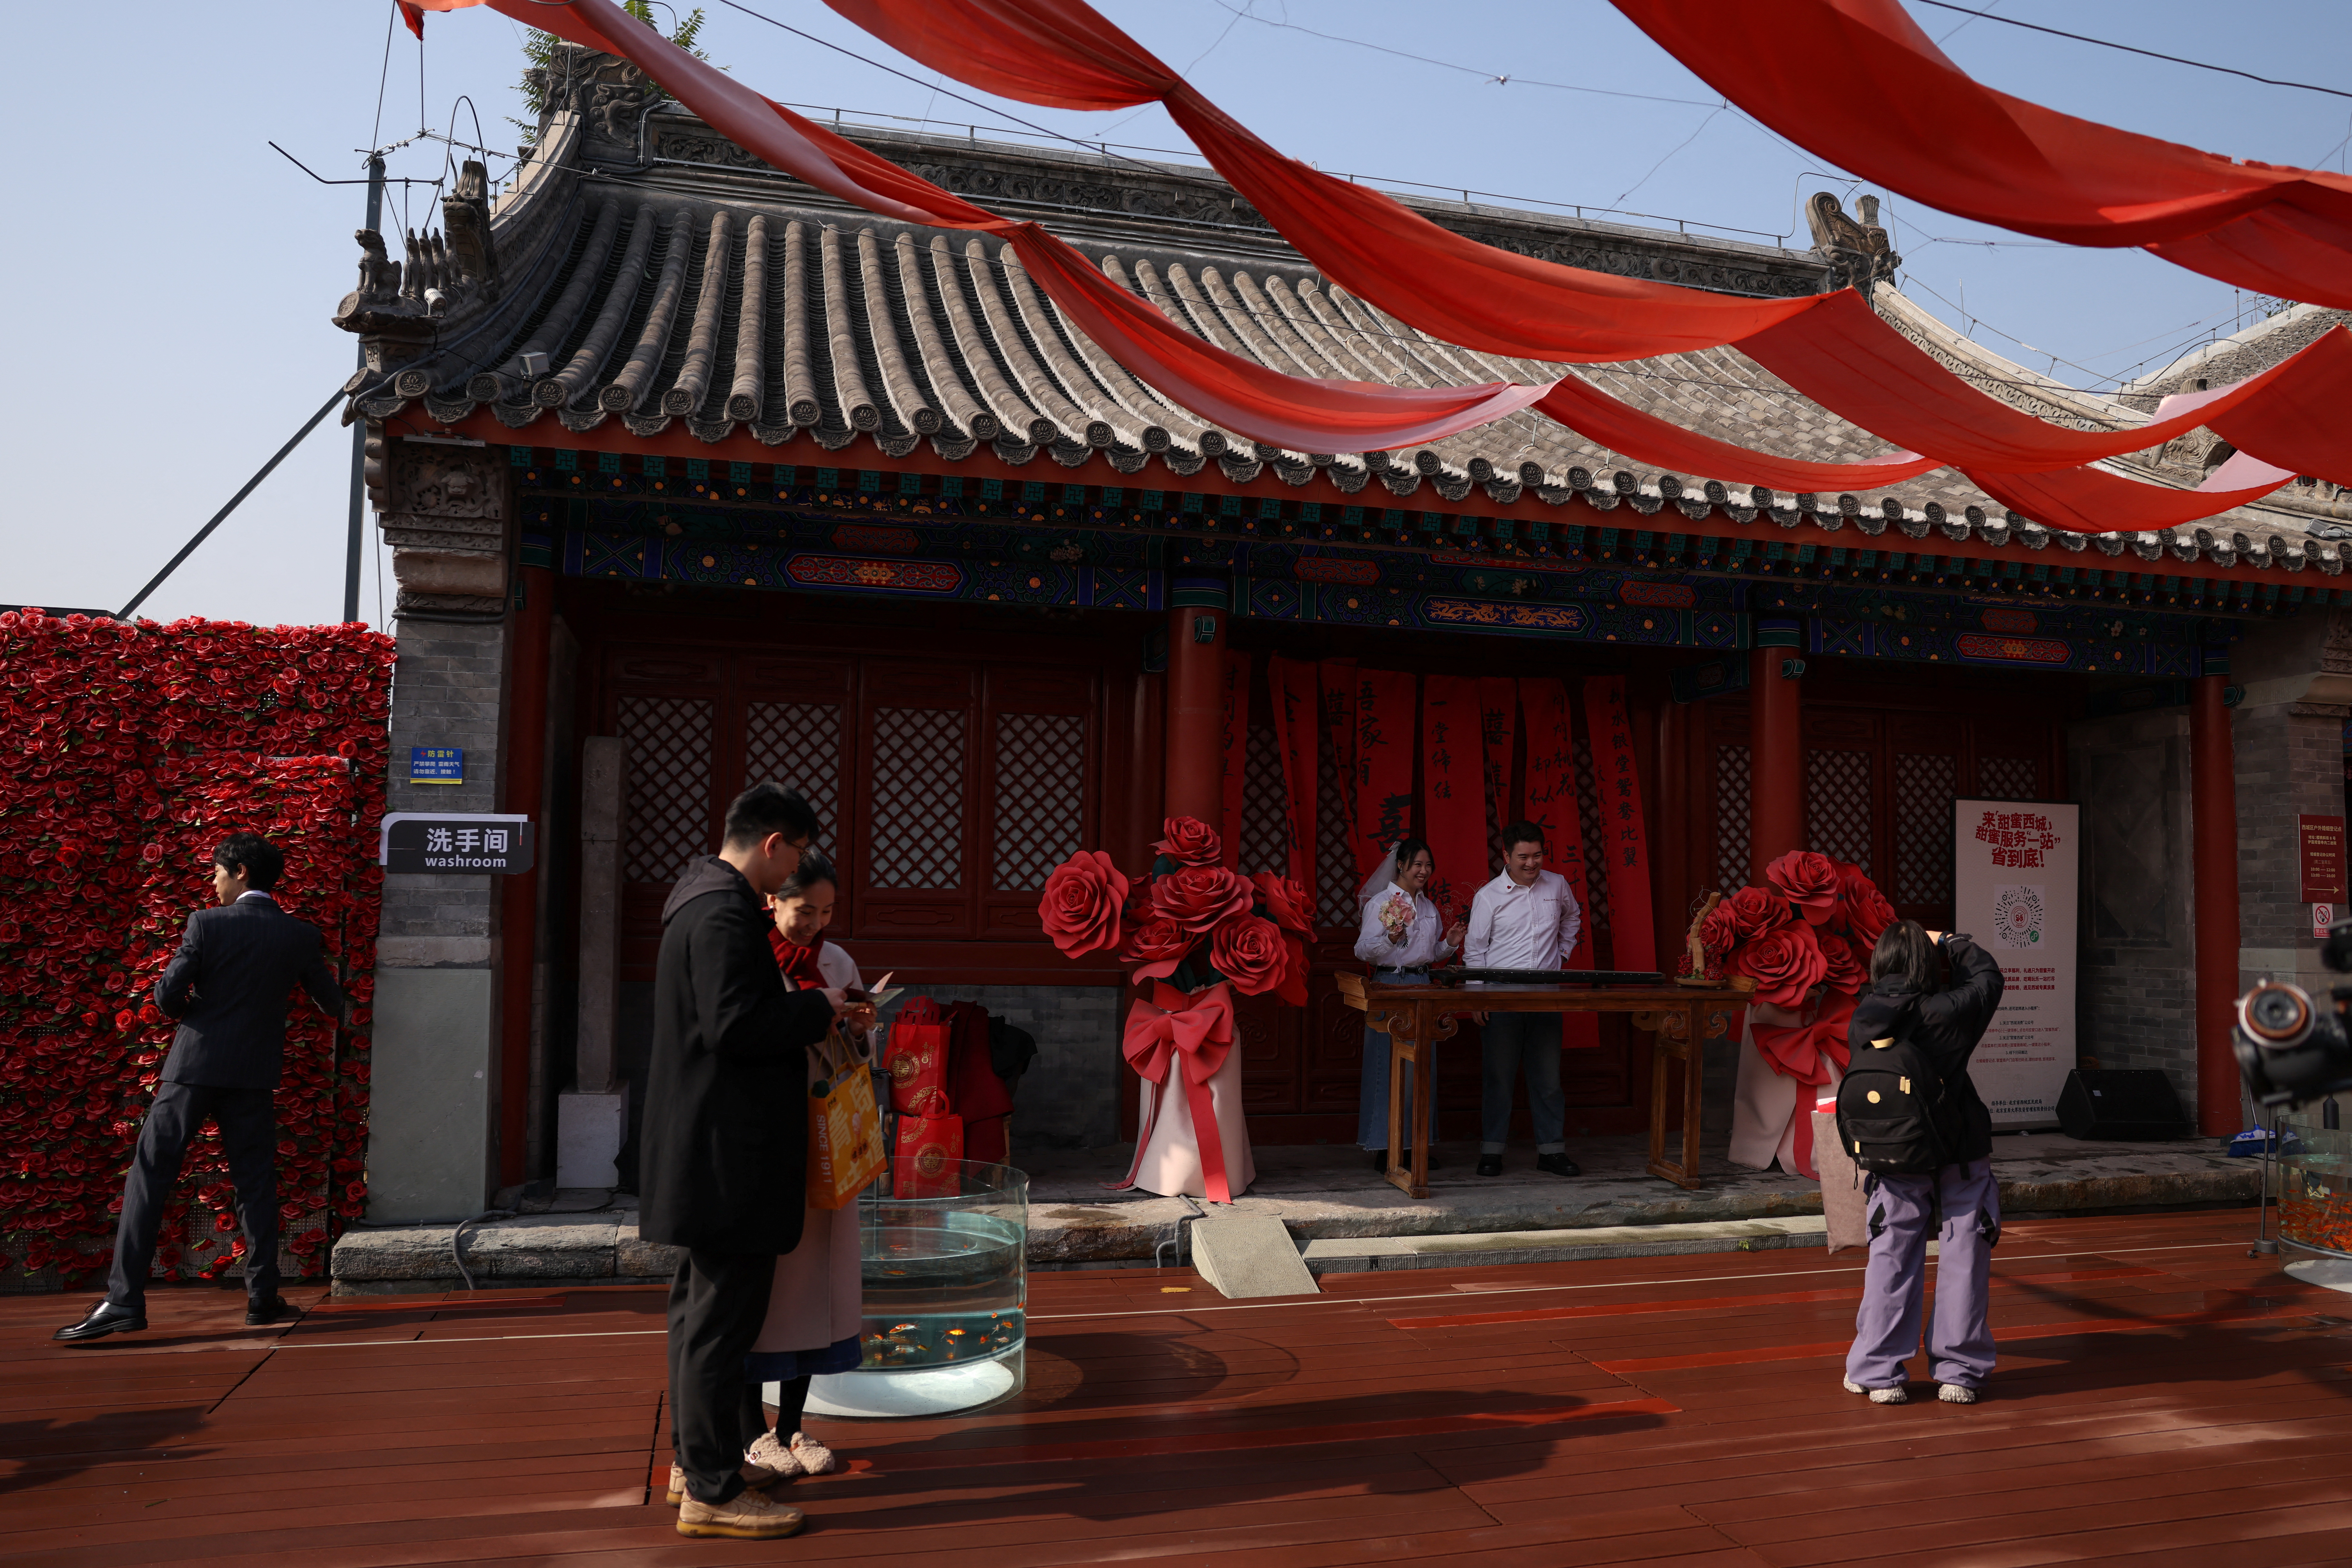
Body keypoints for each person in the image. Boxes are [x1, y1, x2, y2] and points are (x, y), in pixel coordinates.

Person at [643, 783, 847, 1541]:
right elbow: (737, 1024)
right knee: (720, 1324)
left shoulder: (693, 898)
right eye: (796, 851)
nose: (794, 867)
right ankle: (714, 1489)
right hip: (727, 1153)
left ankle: (695, 1462)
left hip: (702, 1146)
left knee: (698, 1317)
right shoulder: (727, 910)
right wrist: (819, 1007)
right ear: (774, 844)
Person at [57, 833, 348, 1343]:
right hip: (253, 1074)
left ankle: (124, 1300)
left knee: (150, 1176)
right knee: (255, 1182)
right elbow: (332, 1002)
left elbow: (168, 993)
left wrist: (195, 1015)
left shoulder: (207, 925)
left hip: (193, 1067)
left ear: (239, 871)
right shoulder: (298, 935)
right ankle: (262, 1296)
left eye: (216, 871)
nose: (212, 882)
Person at [1842, 921, 2005, 1407]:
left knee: (1890, 1256)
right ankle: (1958, 1371)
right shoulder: (1947, 1012)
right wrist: (1950, 943)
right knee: (1964, 1256)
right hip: (1958, 1150)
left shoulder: (1863, 1018)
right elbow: (1988, 979)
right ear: (1923, 964)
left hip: (1894, 1153)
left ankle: (1877, 1372)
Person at [1463, 821, 1583, 1179]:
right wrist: (1478, 996)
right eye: (1523, 857)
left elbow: (1572, 918)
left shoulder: (1558, 884)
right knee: (1498, 1078)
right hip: (1501, 995)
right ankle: (1492, 1152)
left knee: (1548, 1078)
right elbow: (1475, 950)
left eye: (1537, 856)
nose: (1532, 864)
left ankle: (1552, 1151)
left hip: (1547, 995)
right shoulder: (1489, 896)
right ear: (1506, 856)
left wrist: (1561, 954)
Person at [1353, 839, 1466, 1172]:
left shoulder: (1427, 907)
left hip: (1422, 986)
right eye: (1417, 864)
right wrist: (1389, 937)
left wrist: (1449, 945)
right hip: (1390, 986)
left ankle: (1415, 1144)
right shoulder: (1381, 904)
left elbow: (1428, 955)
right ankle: (1384, 1147)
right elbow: (1363, 951)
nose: (1424, 871)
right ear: (1400, 865)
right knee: (1388, 1067)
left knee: (1420, 1068)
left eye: (1428, 866)